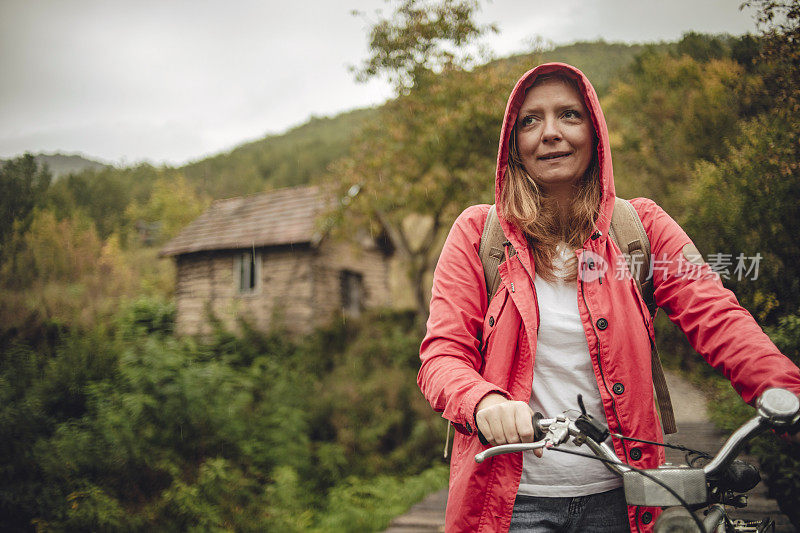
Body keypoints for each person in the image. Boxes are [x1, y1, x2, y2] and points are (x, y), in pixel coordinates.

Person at [417, 62, 800, 532]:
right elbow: (442, 356)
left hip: (625, 497)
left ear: (595, 130)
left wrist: (786, 389)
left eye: (569, 116)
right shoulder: (477, 234)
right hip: (511, 504)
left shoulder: (641, 228)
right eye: (531, 120)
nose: (551, 133)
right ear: (512, 144)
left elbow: (716, 313)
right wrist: (483, 401)